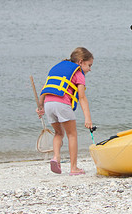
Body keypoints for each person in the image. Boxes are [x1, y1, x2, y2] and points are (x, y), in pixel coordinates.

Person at [36, 47, 94, 176]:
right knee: (72, 135)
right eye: (89, 65)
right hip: (62, 104)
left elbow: (44, 89)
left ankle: (56, 157)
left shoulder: (57, 69)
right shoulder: (78, 74)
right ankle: (74, 168)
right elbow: (82, 98)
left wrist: (41, 107)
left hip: (48, 104)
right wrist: (88, 118)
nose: (90, 69)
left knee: (58, 133)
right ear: (80, 62)